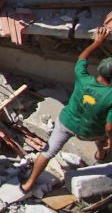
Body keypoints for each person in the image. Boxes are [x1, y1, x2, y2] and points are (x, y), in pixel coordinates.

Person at [21, 26, 111, 192]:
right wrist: (110, 138)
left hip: (66, 122)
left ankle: (28, 184)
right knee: (102, 139)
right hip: (89, 132)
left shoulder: (83, 78)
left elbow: (81, 58)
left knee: (48, 152)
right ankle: (100, 155)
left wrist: (97, 42)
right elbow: (108, 127)